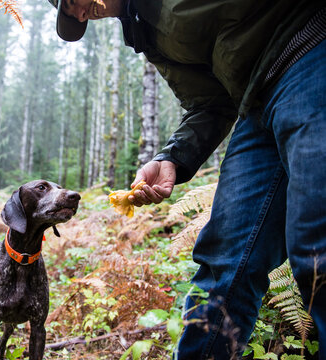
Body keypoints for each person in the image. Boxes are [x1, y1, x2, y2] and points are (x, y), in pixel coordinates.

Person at [47, 0, 326, 358]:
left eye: (74, 2)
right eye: (73, 15)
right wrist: (171, 158)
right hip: (255, 105)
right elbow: (209, 102)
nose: (82, 13)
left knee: (316, 243)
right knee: (224, 263)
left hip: (308, 48)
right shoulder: (146, 33)